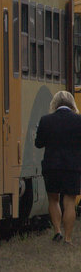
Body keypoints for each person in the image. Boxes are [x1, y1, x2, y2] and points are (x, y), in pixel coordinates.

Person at [34, 90, 81, 243]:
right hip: (72, 167)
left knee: (53, 199)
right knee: (69, 202)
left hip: (52, 166)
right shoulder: (78, 120)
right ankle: (68, 238)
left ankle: (57, 231)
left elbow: (38, 143)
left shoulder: (46, 120)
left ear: (54, 104)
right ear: (72, 104)